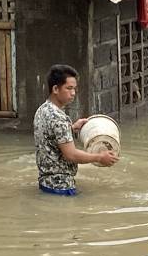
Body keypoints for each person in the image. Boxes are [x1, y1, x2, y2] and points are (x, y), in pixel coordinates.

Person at [34, 64, 118, 195]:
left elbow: (50, 139)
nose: (73, 93)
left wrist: (71, 129)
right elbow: (71, 155)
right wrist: (100, 157)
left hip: (46, 182)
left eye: (74, 89)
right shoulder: (58, 118)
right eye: (69, 88)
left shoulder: (42, 110)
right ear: (55, 89)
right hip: (61, 186)